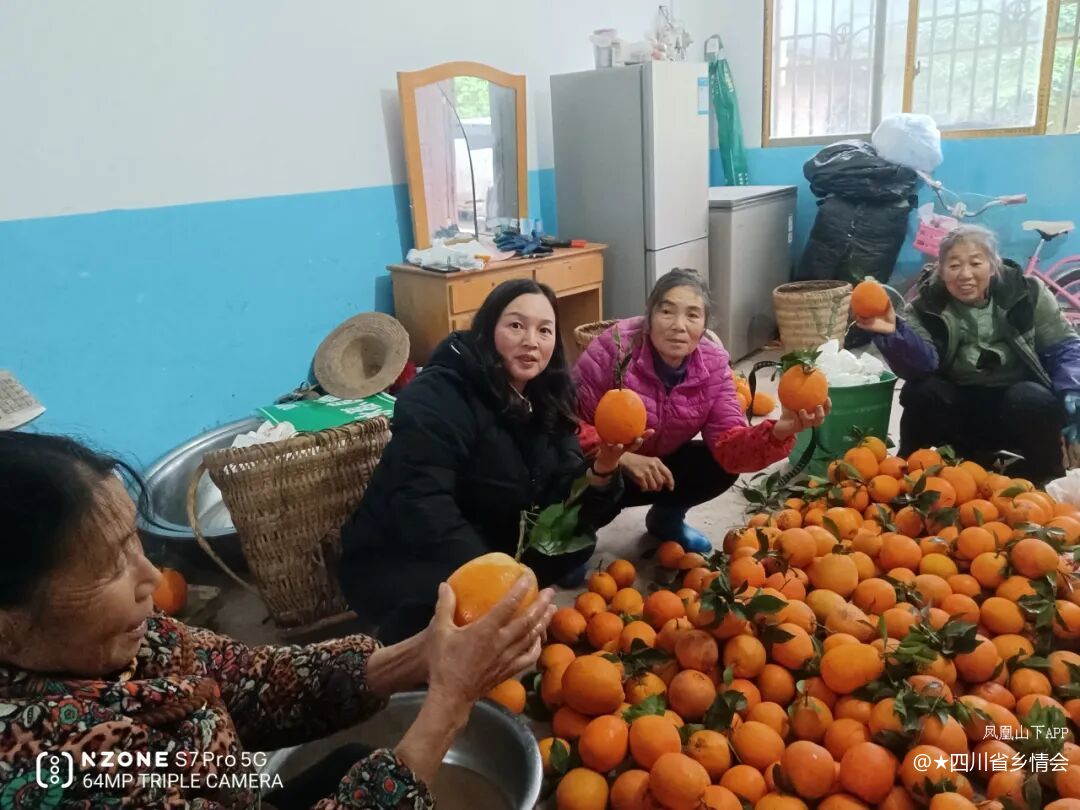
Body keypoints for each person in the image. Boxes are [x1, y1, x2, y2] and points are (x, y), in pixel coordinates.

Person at [0, 431, 555, 809]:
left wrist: (423, 652)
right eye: (110, 566)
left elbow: (253, 681)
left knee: (357, 762)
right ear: (9, 625)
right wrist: (449, 706)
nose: (151, 577)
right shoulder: (54, 771)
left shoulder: (124, 642)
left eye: (134, 545)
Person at [340, 279, 638, 644]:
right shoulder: (439, 394)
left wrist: (603, 470)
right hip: (400, 553)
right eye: (516, 325)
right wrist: (495, 584)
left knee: (574, 541)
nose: (531, 341)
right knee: (446, 613)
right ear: (488, 329)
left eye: (544, 330)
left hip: (489, 532)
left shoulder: (546, 395)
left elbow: (563, 495)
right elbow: (421, 503)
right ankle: (406, 645)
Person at [574, 268, 829, 553]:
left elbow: (730, 446)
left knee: (719, 465)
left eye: (692, 315)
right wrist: (621, 457)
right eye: (667, 312)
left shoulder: (713, 365)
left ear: (705, 325)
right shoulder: (614, 348)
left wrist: (780, 430)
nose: (679, 326)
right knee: (569, 514)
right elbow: (565, 422)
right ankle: (576, 535)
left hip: (659, 468)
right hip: (601, 468)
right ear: (649, 316)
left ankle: (666, 519)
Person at [855, 225, 1080, 483]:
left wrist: (1073, 389)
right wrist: (894, 335)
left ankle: (1046, 477)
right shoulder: (926, 305)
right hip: (961, 409)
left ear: (993, 266)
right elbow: (920, 367)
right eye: (954, 266)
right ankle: (908, 474)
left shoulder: (1027, 292)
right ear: (941, 271)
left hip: (1016, 409)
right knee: (922, 391)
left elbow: (1063, 346)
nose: (965, 275)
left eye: (975, 263)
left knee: (1031, 397)